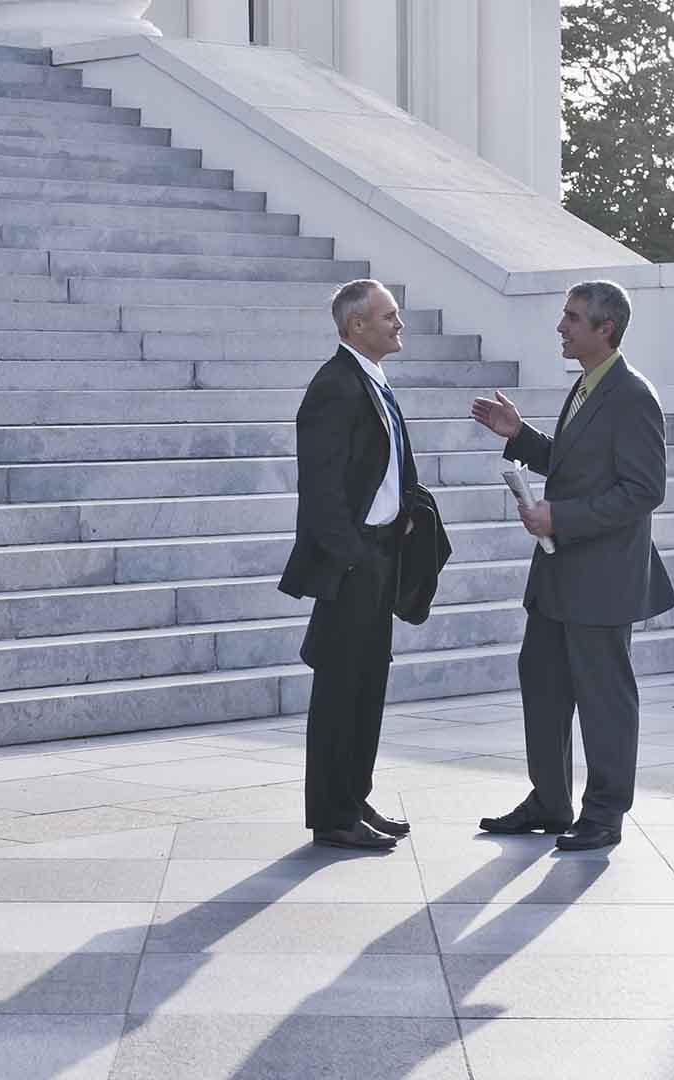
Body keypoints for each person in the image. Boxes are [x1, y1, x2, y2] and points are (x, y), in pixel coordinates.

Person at [469, 281, 674, 851]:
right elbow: (578, 463)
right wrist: (521, 437)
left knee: (604, 696)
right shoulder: (587, 386)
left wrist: (559, 517)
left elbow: (643, 490)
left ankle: (605, 812)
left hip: (602, 577)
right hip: (560, 574)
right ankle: (550, 801)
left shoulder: (632, 395)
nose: (561, 327)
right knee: (541, 682)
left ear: (604, 329)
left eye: (572, 318)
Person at [278, 279, 416, 851]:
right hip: (353, 563)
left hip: (381, 553)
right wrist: (354, 557)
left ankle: (354, 798)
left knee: (368, 687)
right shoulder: (335, 387)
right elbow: (321, 490)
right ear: (355, 325)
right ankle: (332, 816)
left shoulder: (372, 380)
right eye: (388, 317)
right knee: (340, 691)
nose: (398, 325)